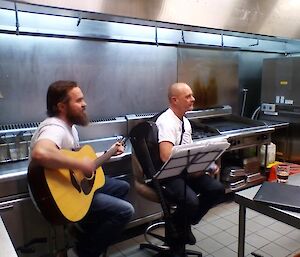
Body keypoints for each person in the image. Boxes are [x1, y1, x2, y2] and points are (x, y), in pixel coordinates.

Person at [29, 80, 134, 257]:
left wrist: (109, 153)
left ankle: (84, 229)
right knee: (125, 211)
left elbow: (80, 163)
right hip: (57, 196)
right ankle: (82, 251)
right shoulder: (54, 127)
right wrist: (80, 164)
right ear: (62, 106)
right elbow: (40, 153)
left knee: (122, 186)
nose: (84, 104)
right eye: (78, 100)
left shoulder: (70, 128)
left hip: (71, 186)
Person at [156, 82, 225, 245]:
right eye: (188, 96)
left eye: (192, 95)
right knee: (191, 202)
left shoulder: (185, 121)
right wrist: (193, 167)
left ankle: (181, 222)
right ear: (174, 100)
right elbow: (166, 156)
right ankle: (177, 238)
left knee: (217, 189)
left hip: (183, 170)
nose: (193, 99)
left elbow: (190, 150)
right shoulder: (166, 122)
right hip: (169, 174)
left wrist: (206, 165)